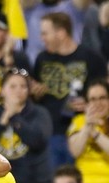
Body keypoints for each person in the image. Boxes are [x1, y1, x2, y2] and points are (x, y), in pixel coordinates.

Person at [31, 12, 107, 169]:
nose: (41, 38)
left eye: (45, 33)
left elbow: (104, 93)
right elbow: (35, 95)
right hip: (50, 132)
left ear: (61, 33)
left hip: (82, 131)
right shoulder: (41, 59)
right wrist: (35, 93)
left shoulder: (92, 58)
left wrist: (87, 103)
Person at [0, 67, 53, 183]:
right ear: (2, 90)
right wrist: (2, 121)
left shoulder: (39, 113)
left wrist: (14, 118)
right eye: (12, 86)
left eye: (23, 86)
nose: (18, 90)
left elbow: (38, 141)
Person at [67, 79, 109, 183]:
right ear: (87, 103)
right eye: (93, 99)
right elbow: (75, 151)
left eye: (103, 98)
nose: (98, 103)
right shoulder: (78, 122)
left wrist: (94, 133)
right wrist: (87, 127)